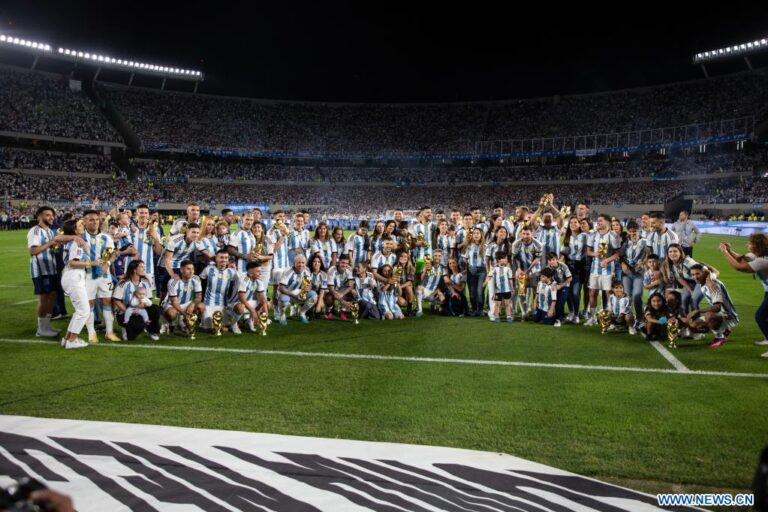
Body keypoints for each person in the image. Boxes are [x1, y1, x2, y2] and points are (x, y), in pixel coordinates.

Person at [28, 206, 82, 338]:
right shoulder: (35, 231)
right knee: (44, 298)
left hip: (52, 268)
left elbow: (56, 242)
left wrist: (69, 240)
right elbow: (33, 251)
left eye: (52, 215)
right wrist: (50, 243)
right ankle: (41, 328)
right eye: (47, 215)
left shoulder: (50, 231)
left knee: (52, 296)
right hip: (41, 270)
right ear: (39, 216)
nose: (51, 217)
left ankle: (47, 326)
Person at [719, 234, 768, 350]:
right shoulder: (757, 255)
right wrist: (730, 250)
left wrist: (724, 252)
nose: (747, 244)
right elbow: (741, 258)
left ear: (757, 246)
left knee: (760, 316)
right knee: (765, 317)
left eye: (750, 243)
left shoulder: (763, 260)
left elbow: (739, 267)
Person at [58, 219, 97, 349]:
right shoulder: (76, 242)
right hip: (74, 276)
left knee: (79, 310)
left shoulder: (73, 240)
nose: (83, 226)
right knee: (84, 311)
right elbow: (73, 262)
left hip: (71, 276)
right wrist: (91, 263)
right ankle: (72, 341)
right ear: (75, 230)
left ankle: (67, 338)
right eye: (80, 225)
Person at [688, 264, 739, 348]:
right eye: (693, 274)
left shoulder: (713, 286)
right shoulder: (706, 281)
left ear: (704, 273)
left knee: (709, 315)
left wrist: (697, 311)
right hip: (720, 314)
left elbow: (717, 307)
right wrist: (703, 263)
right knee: (694, 326)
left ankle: (719, 338)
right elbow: (715, 271)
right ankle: (724, 329)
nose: (695, 277)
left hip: (729, 316)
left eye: (698, 274)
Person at [584, 214, 621, 327]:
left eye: (600, 221)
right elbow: (588, 251)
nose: (598, 223)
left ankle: (610, 319)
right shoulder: (593, 235)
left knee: (609, 294)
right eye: (597, 221)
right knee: (592, 293)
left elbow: (617, 254)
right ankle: (593, 318)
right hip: (594, 270)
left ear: (607, 222)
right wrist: (594, 254)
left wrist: (607, 260)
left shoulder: (613, 235)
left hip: (608, 270)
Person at [199, 250, 238, 333]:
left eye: (226, 258)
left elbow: (238, 286)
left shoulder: (232, 272)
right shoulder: (208, 270)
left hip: (224, 305)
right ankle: (202, 319)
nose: (224, 260)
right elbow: (200, 285)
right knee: (208, 329)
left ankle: (232, 323)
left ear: (228, 260)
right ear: (216, 258)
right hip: (209, 304)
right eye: (221, 257)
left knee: (224, 329)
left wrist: (235, 270)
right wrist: (201, 301)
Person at [160, 259, 204, 334]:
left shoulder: (196, 279)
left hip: (186, 303)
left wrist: (192, 305)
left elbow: (199, 297)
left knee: (201, 306)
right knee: (172, 313)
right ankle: (167, 322)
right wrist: (185, 314)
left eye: (193, 269)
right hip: (171, 304)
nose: (191, 271)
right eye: (188, 269)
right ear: (181, 270)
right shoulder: (173, 282)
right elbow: (174, 302)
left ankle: (183, 322)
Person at [229, 261, 271, 333]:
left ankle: (250, 321)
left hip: (246, 303)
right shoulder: (244, 279)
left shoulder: (258, 280)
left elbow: (262, 299)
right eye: (258, 271)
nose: (260, 273)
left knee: (267, 304)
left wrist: (266, 315)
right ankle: (233, 324)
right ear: (250, 273)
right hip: (234, 304)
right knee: (241, 307)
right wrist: (253, 311)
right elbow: (242, 298)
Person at [620, 221, 647, 329]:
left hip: (639, 274)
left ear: (639, 230)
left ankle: (640, 319)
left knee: (637, 295)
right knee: (627, 296)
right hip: (627, 273)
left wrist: (643, 263)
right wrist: (622, 264)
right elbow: (620, 255)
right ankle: (629, 320)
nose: (632, 233)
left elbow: (650, 256)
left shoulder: (645, 242)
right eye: (630, 231)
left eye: (634, 231)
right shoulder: (626, 243)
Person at [277, 254, 317, 325]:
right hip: (286, 293)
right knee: (283, 300)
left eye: (303, 263)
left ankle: (302, 313)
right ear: (294, 263)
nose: (301, 265)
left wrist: (307, 288)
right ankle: (282, 315)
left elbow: (309, 284)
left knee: (313, 296)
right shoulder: (288, 271)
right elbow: (281, 288)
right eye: (298, 262)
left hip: (297, 292)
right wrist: (294, 295)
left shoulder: (307, 270)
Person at [485, 252, 515, 323]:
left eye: (506, 258)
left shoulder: (508, 269)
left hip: (507, 290)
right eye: (504, 258)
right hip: (498, 290)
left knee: (507, 304)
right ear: (499, 260)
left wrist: (512, 288)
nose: (506, 260)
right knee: (497, 304)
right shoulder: (494, 269)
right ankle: (496, 316)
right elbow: (489, 276)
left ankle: (508, 316)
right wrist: (485, 283)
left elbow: (510, 279)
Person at [463, 227, 486, 317]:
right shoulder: (469, 246)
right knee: (472, 292)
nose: (476, 235)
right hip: (471, 270)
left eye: (478, 233)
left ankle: (480, 310)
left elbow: (487, 260)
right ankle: (473, 309)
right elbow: (465, 258)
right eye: (474, 233)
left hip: (482, 271)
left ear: (481, 235)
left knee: (480, 291)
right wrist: (466, 268)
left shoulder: (485, 246)